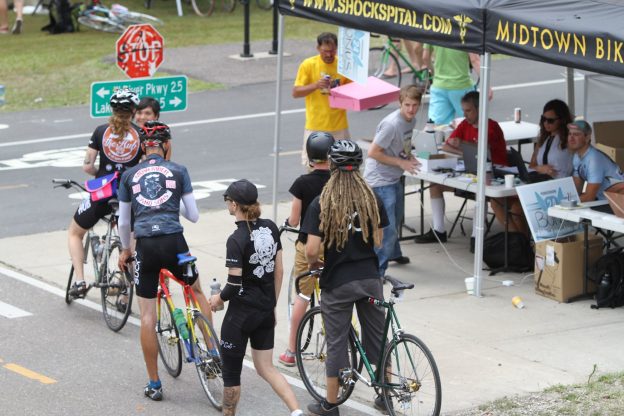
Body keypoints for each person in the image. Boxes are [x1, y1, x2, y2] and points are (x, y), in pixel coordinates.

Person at [117, 120, 211, 401]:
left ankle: (155, 383)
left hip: (146, 246)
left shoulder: (129, 175)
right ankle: (213, 351)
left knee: (147, 316)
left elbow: (124, 223)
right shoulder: (179, 170)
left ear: (143, 148)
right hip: (175, 242)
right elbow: (193, 215)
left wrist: (125, 250)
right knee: (195, 290)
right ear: (166, 145)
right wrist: (170, 201)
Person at [302, 140, 389, 416]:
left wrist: (318, 263)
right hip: (369, 278)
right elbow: (378, 240)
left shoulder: (322, 202)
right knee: (378, 335)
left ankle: (330, 404)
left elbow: (312, 250)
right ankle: (386, 393)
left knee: (337, 340)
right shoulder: (370, 198)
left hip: (338, 280)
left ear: (332, 166)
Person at [209, 179, 304, 416]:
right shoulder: (271, 227)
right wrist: (271, 304)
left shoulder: (236, 239)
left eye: (227, 201)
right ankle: (296, 411)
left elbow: (233, 284)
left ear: (234, 205)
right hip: (264, 310)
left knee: (231, 375)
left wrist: (217, 300)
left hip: (240, 316)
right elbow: (279, 270)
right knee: (266, 367)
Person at [67, 89, 143, 299]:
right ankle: (128, 294)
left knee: (75, 232)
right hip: (128, 196)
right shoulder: (140, 135)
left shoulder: (101, 131)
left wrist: (100, 175)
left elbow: (87, 166)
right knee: (129, 245)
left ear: (112, 109)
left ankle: (80, 281)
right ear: (134, 110)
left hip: (103, 192)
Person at [414, 91, 513, 247]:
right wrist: (465, 152)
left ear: (480, 109)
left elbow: (482, 152)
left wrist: (463, 148)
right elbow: (448, 145)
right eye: (464, 110)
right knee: (435, 186)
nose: (465, 114)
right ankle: (439, 230)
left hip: (493, 174)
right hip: (469, 170)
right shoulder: (465, 125)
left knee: (478, 190)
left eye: (468, 110)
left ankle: (476, 237)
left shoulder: (490, 127)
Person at [278, 131, 333, 367]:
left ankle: (292, 351)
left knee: (302, 295)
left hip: (308, 245)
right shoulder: (337, 182)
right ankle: (336, 347)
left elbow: (294, 219)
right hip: (333, 245)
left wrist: (286, 224)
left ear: (310, 158)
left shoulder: (301, 183)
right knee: (333, 295)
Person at [363, 85, 421, 279]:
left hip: (394, 176)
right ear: (400, 103)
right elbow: (373, 152)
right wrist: (401, 162)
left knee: (395, 220)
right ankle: (377, 271)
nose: (411, 109)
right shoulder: (391, 124)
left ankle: (393, 253)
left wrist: (408, 156)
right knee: (385, 229)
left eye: (414, 105)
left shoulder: (411, 121)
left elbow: (400, 146)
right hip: (379, 180)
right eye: (407, 105)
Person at [293, 32, 351, 166]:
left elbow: (353, 91)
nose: (329, 55)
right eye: (325, 51)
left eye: (332, 51)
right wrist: (315, 85)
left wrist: (338, 90)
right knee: (313, 167)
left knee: (342, 167)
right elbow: (296, 92)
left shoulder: (343, 65)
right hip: (315, 127)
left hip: (339, 126)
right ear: (318, 48)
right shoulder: (308, 65)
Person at [422, 45, 491, 126]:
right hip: (462, 85)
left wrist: (434, 72)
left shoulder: (433, 31)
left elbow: (425, 57)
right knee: (473, 124)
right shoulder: (468, 32)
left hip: (439, 85)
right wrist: (487, 85)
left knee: (436, 127)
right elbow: (474, 60)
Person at [568, 120, 624, 202]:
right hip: (605, 199)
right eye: (570, 134)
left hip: (618, 200)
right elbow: (576, 188)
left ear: (587, 138)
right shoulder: (577, 156)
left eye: (576, 134)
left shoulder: (594, 159)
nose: (571, 138)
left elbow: (589, 197)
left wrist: (563, 203)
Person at [529, 99, 574, 179]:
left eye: (550, 120)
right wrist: (540, 169)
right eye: (543, 119)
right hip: (542, 184)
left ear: (562, 120)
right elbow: (531, 166)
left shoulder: (571, 138)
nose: (546, 123)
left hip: (563, 184)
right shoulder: (542, 139)